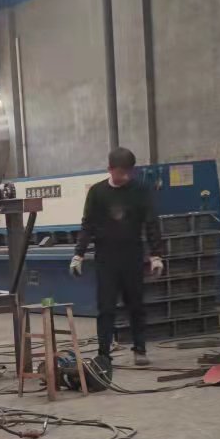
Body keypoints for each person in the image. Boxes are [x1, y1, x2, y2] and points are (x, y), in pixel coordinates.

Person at [70, 147, 164, 371]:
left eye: (127, 172)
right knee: (106, 308)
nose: (123, 177)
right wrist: (79, 254)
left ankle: (140, 349)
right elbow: (88, 224)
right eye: (119, 172)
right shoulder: (97, 193)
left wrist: (156, 255)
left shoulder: (140, 190)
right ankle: (104, 355)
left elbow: (151, 222)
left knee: (136, 305)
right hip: (106, 258)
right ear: (109, 169)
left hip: (132, 255)